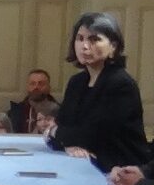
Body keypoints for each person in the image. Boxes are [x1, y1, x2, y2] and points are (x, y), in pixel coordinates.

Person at [49, 11, 150, 170]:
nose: (85, 46)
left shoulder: (121, 84)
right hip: (84, 164)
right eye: (80, 38)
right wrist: (66, 141)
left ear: (113, 46)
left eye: (94, 39)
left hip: (123, 169)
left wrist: (56, 132)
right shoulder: (76, 82)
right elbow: (62, 126)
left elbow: (95, 135)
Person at [8, 68, 57, 132]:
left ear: (49, 87)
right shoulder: (15, 112)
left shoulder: (59, 111)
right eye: (32, 83)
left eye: (41, 84)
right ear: (27, 87)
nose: (36, 87)